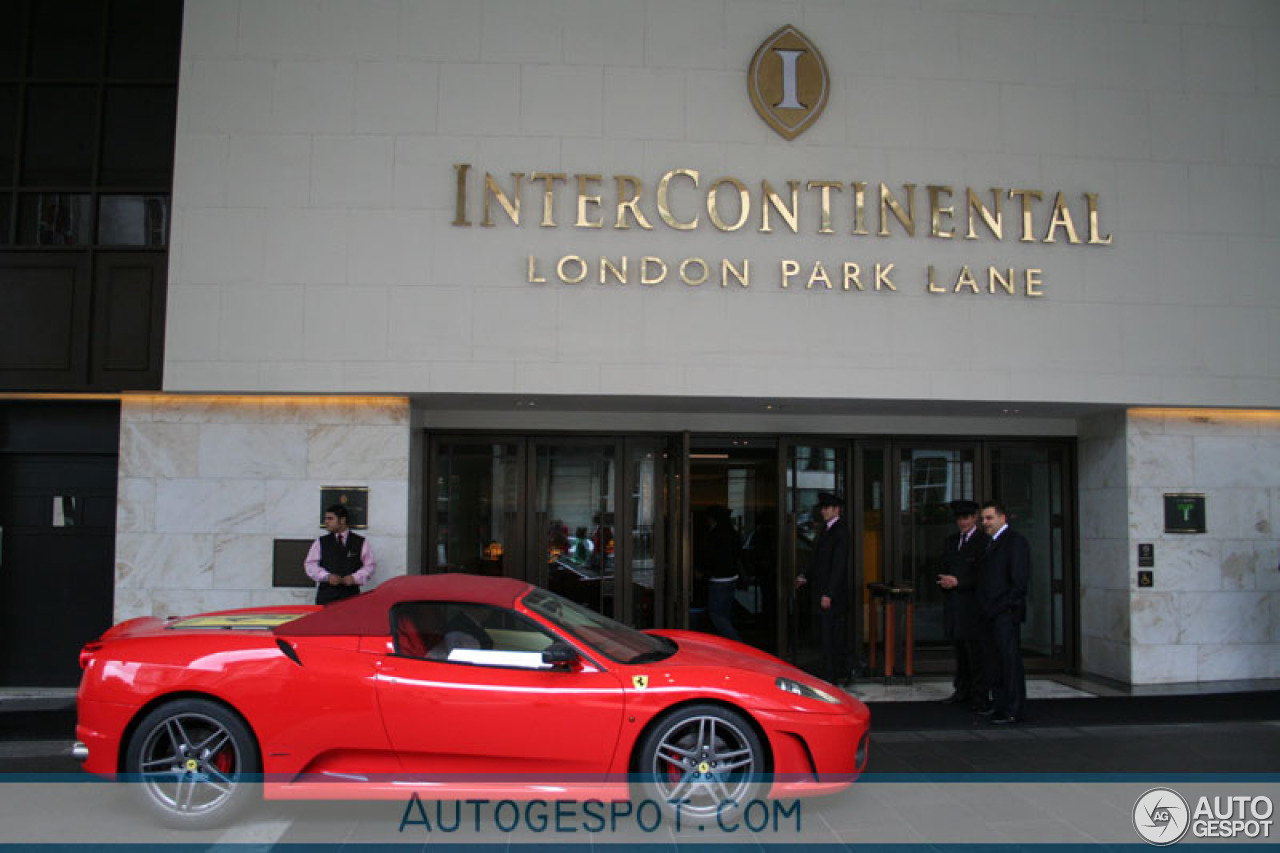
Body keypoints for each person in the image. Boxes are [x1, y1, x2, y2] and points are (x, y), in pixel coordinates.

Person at [975, 501, 1030, 724]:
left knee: (1009, 662)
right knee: (994, 661)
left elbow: (1019, 581)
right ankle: (1000, 704)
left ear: (1002, 518)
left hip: (1005, 614)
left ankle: (1013, 708)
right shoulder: (990, 544)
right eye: (983, 519)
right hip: (990, 614)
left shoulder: (1015, 542)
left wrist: (1003, 606)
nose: (985, 523)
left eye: (989, 518)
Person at [934, 500, 990, 708]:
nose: (962, 522)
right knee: (960, 652)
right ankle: (962, 691)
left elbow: (984, 576)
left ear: (975, 518)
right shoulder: (951, 541)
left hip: (973, 607)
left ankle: (979, 695)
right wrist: (943, 581)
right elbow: (941, 567)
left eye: (966, 518)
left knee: (976, 654)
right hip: (954, 606)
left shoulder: (983, 542)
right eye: (959, 518)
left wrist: (959, 582)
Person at [795, 492, 850, 687]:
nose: (823, 511)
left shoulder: (841, 531)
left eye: (827, 508)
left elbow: (838, 566)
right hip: (820, 590)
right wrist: (805, 577)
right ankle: (829, 671)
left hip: (830, 593)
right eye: (822, 508)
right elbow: (817, 560)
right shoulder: (825, 530)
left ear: (836, 510)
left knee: (831, 635)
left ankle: (833, 674)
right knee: (824, 633)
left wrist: (829, 593)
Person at [304, 504, 376, 604]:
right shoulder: (321, 542)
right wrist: (327, 576)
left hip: (351, 596)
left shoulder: (360, 542)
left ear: (342, 520)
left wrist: (355, 578)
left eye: (330, 519)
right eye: (325, 519)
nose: (326, 522)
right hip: (326, 596)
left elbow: (370, 566)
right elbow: (310, 565)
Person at [702, 506, 743, 642]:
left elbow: (709, 556)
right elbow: (738, 554)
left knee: (717, 616)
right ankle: (730, 644)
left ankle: (737, 643)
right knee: (724, 614)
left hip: (719, 579)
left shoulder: (715, 535)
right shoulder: (733, 533)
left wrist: (705, 571)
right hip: (731, 577)